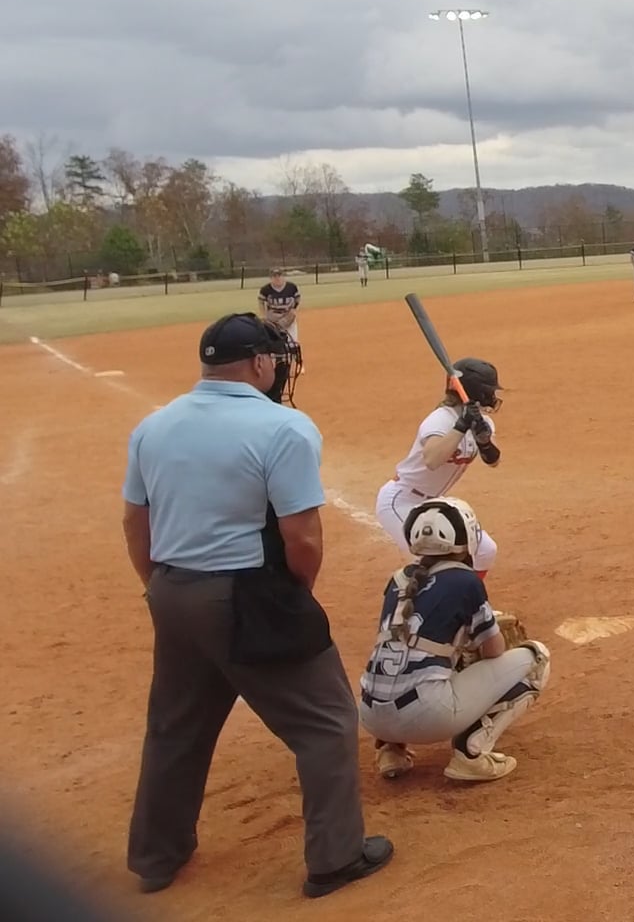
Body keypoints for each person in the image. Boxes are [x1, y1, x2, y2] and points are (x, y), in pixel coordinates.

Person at [122, 313, 392, 899]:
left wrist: (158, 587)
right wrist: (293, 598)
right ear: (261, 363)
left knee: (175, 726)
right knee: (326, 722)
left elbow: (135, 522)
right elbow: (303, 538)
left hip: (171, 591)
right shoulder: (283, 427)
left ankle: (156, 857)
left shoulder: (153, 426)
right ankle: (335, 858)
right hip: (248, 594)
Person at [360, 496, 551, 783]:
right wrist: (476, 642)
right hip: (426, 716)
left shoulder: (398, 580)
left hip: (370, 715)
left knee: (410, 660)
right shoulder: (465, 581)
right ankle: (471, 753)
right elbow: (494, 650)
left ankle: (390, 750)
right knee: (536, 657)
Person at [374, 358, 505, 578]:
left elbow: (493, 462)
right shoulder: (440, 420)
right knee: (434, 558)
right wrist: (461, 426)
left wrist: (485, 442)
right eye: (487, 391)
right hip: (402, 500)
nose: (492, 396)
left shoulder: (482, 421)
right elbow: (432, 460)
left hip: (434, 503)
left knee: (485, 550)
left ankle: (469, 596)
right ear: (474, 391)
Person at [257, 268, 301, 341]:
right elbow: (261, 301)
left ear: (283, 276)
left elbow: (297, 298)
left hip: (288, 317)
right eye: (274, 276)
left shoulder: (292, 287)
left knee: (292, 342)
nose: (277, 278)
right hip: (273, 319)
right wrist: (263, 315)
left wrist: (293, 309)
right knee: (274, 342)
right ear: (270, 278)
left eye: (279, 276)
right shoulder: (265, 289)